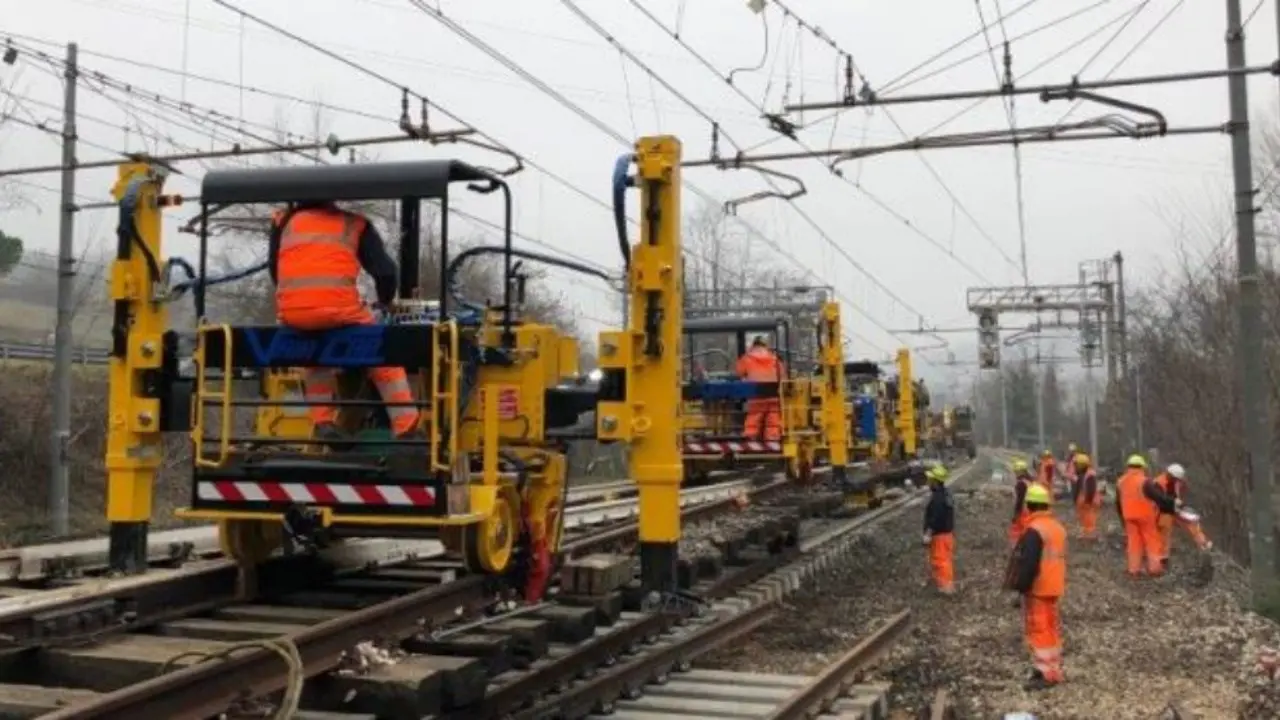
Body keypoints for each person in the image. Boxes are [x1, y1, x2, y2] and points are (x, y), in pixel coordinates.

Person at [269, 202, 422, 444]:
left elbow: (274, 270)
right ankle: (407, 427)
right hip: (339, 312)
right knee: (384, 356)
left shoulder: (285, 222)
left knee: (314, 356)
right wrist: (385, 301)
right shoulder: (355, 224)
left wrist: (298, 299)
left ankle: (323, 422)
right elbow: (385, 272)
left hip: (293, 313)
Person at [1006, 482, 1067, 690]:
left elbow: (1029, 563)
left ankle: (1045, 673)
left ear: (1029, 505)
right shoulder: (1057, 528)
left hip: (1038, 588)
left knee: (1039, 629)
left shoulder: (1034, 530)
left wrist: (1020, 587)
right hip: (1054, 585)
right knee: (1051, 629)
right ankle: (1053, 668)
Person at [1115, 454, 1175, 577]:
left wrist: (1122, 518)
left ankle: (1134, 569)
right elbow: (1158, 497)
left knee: (1134, 543)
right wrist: (1172, 502)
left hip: (1128, 517)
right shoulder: (1144, 481)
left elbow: (1117, 502)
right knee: (1152, 541)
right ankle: (1155, 569)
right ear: (1142, 467)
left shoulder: (1120, 482)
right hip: (1145, 517)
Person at [1154, 463, 1212, 566]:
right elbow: (1159, 500)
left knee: (1192, 521)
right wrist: (1173, 502)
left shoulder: (1176, 482)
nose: (1178, 481)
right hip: (1163, 511)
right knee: (1164, 532)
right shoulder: (1158, 483)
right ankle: (1163, 557)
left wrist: (1180, 505)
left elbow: (1179, 493)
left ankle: (1203, 543)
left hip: (1175, 509)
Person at [735, 335, 785, 440]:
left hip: (756, 394)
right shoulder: (774, 358)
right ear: (765, 345)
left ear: (754, 345)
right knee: (773, 417)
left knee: (754, 417)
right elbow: (783, 375)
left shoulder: (747, 358)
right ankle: (772, 437)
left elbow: (739, 373)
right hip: (774, 394)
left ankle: (750, 437)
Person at [922, 465, 955, 595]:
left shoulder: (938, 499)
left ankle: (946, 587)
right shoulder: (945, 494)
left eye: (930, 480)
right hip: (946, 535)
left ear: (935, 481)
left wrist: (928, 533)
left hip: (940, 535)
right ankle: (941, 584)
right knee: (941, 560)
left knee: (941, 561)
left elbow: (935, 517)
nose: (928, 482)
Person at [1071, 453, 1101, 541]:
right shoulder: (1083, 474)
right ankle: (1087, 534)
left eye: (1076, 465)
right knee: (1085, 519)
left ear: (1081, 465)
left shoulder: (1089, 475)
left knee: (1089, 519)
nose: (1075, 467)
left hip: (1088, 502)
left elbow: (1091, 489)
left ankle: (1090, 535)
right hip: (1085, 501)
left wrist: (1087, 501)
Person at [1009, 459, 1035, 548]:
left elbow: (1019, 500)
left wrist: (1016, 514)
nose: (1015, 473)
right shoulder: (1030, 481)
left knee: (1018, 530)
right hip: (1031, 510)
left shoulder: (1021, 484)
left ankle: (1018, 547)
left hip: (1023, 512)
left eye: (1016, 471)